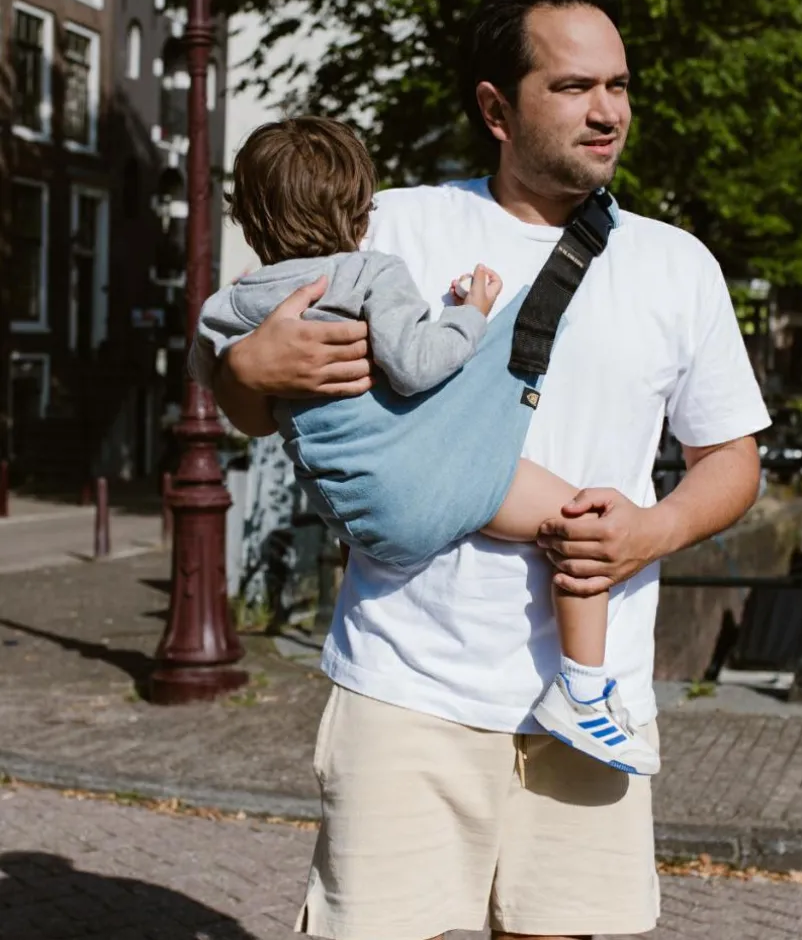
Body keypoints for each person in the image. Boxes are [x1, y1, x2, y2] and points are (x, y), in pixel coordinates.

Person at [205, 0, 771, 940]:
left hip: (590, 704)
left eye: (620, 86)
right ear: (495, 108)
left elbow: (732, 458)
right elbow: (257, 406)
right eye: (574, 87)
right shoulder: (393, 226)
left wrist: (653, 529)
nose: (607, 112)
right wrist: (245, 368)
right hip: (409, 688)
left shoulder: (679, 264)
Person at [191, 116, 659, 775]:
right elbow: (417, 365)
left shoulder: (234, 303)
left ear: (248, 216)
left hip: (356, 514)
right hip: (430, 483)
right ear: (361, 211)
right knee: (584, 521)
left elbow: (208, 366)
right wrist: (471, 309)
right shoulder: (367, 274)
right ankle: (583, 691)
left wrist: (242, 366)